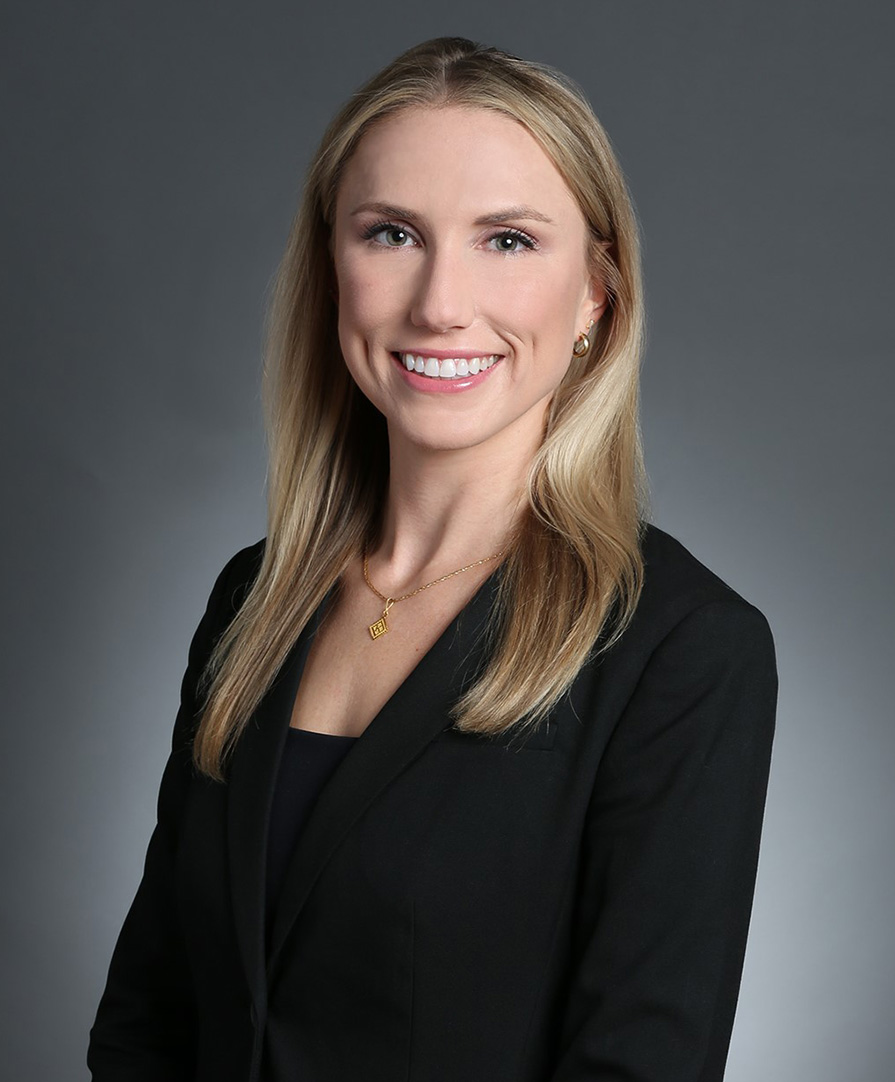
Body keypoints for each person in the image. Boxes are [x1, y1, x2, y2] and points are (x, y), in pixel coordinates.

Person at [88, 36, 778, 1082]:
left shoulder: (683, 649)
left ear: (597, 294)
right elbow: (150, 1019)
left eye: (507, 240)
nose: (440, 302)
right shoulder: (253, 600)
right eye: (393, 233)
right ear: (332, 268)